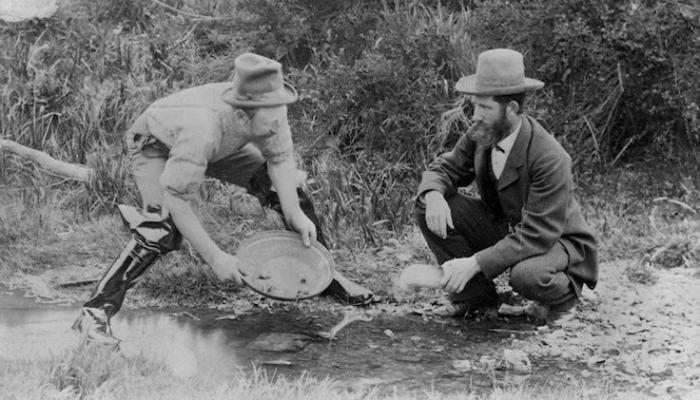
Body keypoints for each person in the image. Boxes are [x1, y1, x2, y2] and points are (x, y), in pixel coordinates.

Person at [73, 53, 373, 346]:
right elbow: (177, 200)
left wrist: (294, 212)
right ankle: (93, 314)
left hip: (223, 144)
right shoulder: (201, 130)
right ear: (242, 115)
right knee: (160, 228)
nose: (279, 128)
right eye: (273, 123)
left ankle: (323, 274)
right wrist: (216, 257)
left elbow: (280, 162)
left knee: (288, 191)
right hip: (157, 146)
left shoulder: (271, 111)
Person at [413, 48, 598, 326]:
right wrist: (434, 195)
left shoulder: (550, 157)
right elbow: (446, 168)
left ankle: (564, 300)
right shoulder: (483, 132)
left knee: (526, 276)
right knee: (427, 203)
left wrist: (474, 262)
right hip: (509, 228)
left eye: (485, 107)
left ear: (511, 109)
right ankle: (475, 297)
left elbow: (537, 234)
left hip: (556, 238)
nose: (475, 115)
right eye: (475, 105)